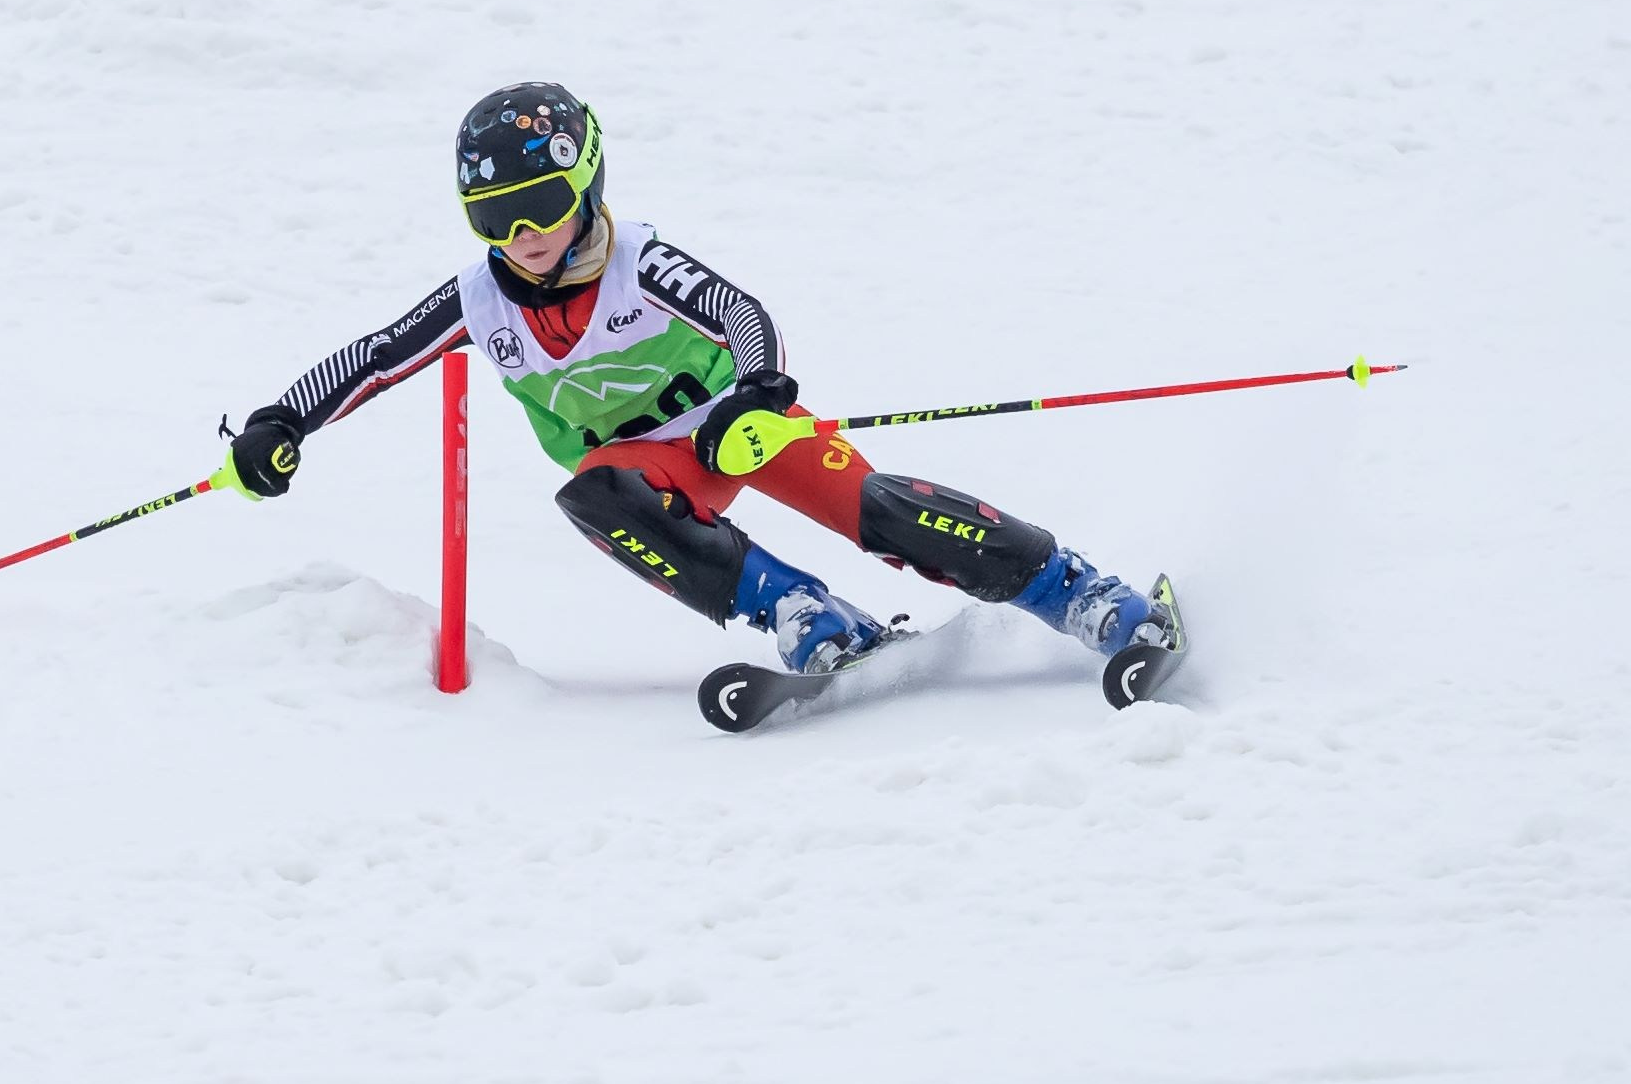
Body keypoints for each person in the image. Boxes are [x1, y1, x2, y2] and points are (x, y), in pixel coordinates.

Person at [221, 82, 1170, 676]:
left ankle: (1073, 589)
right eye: (494, 219)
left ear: (588, 183)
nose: (525, 239)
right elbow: (379, 354)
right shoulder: (484, 299)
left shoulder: (642, 263)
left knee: (875, 510)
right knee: (594, 495)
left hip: (736, 429)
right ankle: (799, 611)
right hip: (654, 466)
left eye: (542, 206)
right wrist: (282, 422)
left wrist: (759, 396)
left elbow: (745, 318)